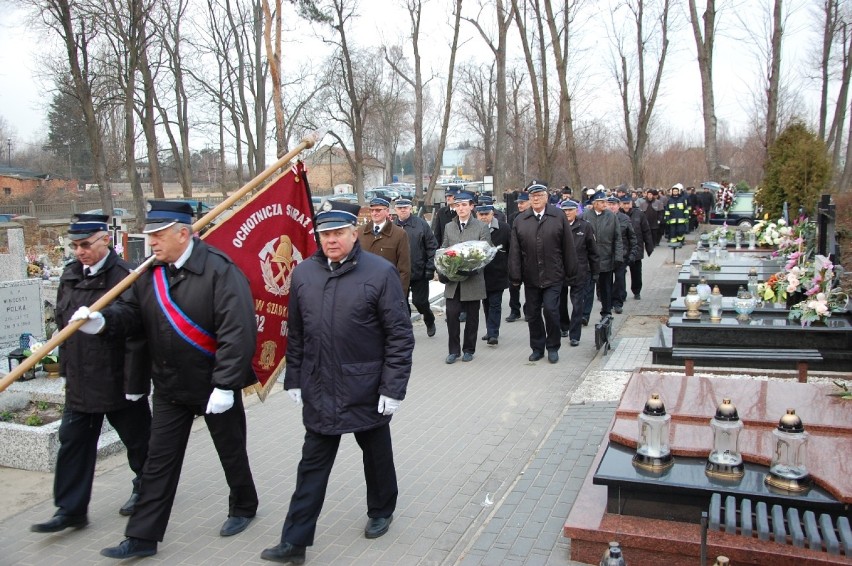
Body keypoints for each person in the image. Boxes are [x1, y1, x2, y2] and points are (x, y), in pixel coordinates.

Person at [73, 201, 259, 559]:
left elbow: (238, 332)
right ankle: (142, 536)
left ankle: (243, 506)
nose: (152, 243)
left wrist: (225, 384)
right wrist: (104, 322)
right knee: (158, 462)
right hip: (170, 387)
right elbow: (132, 315)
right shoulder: (150, 272)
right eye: (150, 236)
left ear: (183, 233)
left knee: (231, 451)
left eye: (158, 235)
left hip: (212, 385)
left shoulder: (220, 271)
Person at [260, 202, 414, 564]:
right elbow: (295, 334)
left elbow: (399, 337)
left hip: (366, 388)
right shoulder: (303, 275)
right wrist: (294, 378)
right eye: (324, 234)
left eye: (337, 233)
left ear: (353, 232)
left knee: (376, 455)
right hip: (320, 388)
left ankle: (381, 509)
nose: (330, 240)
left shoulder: (380, 273)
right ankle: (294, 542)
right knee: (311, 465)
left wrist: (392, 389)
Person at [30, 214, 151, 536]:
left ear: (105, 241)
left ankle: (146, 488)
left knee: (138, 442)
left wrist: (135, 381)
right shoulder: (70, 274)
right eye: (75, 246)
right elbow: (63, 323)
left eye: (85, 245)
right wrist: (66, 368)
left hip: (117, 379)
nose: (79, 251)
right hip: (82, 381)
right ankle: (70, 510)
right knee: (73, 444)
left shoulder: (125, 275)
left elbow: (135, 325)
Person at [508, 183, 578, 364]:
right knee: (532, 313)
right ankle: (537, 348)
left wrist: (571, 271)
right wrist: (515, 275)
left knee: (551, 310)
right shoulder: (520, 220)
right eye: (532, 196)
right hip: (531, 275)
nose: (536, 199)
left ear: (547, 197)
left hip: (553, 274)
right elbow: (515, 250)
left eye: (539, 195)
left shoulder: (557, 216)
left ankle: (553, 346)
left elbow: (568, 246)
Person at [440, 192, 491, 364]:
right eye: (457, 205)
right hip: (453, 280)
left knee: (472, 317)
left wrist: (473, 268)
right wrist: (444, 267)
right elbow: (444, 249)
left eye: (464, 205)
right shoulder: (449, 227)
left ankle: (469, 349)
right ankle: (453, 351)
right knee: (452, 315)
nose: (460, 208)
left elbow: (486, 252)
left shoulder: (481, 227)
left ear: (471, 206)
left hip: (473, 280)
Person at [394, 198, 438, 337]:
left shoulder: (421, 225)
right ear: (395, 210)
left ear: (411, 208)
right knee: (402, 303)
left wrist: (430, 267)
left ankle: (429, 318)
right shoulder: (391, 227)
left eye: (405, 207)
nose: (403, 210)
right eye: (400, 208)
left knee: (420, 302)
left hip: (419, 271)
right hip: (399, 273)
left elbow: (432, 246)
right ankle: (407, 330)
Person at [558, 201, 599, 347]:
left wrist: (595, 271)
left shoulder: (585, 226)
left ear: (576, 211)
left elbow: (593, 251)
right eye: (564, 210)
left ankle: (575, 335)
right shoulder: (558, 225)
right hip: (560, 270)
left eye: (570, 210)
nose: (567, 213)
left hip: (579, 270)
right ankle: (564, 326)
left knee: (577, 304)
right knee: (560, 303)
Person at [582, 190, 623, 324]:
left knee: (606, 288)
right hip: (589, 259)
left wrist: (618, 257)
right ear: (594, 204)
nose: (605, 204)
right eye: (602, 202)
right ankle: (584, 315)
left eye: (605, 202)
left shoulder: (611, 216)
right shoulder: (585, 216)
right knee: (588, 289)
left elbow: (618, 238)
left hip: (606, 257)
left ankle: (606, 312)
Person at [359, 197, 411, 296]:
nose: (374, 213)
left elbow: (404, 269)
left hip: (388, 290)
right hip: (364, 290)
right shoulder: (360, 232)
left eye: (378, 210)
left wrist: (399, 294)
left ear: (387, 211)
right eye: (372, 210)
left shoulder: (399, 234)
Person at [475, 203, 510, 346]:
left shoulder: (504, 228)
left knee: (495, 303)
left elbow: (511, 248)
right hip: (481, 274)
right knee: (486, 303)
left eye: (486, 214)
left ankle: (493, 332)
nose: (483, 217)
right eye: (481, 215)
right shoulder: (474, 228)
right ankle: (490, 329)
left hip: (498, 272)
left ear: (492, 214)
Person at [620, 195, 655, 300]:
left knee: (636, 273)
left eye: (628, 203)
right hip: (622, 249)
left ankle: (636, 291)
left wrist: (649, 246)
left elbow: (646, 231)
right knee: (620, 274)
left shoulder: (639, 214)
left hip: (636, 248)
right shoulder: (618, 215)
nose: (626, 206)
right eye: (624, 203)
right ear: (621, 204)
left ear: (632, 203)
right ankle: (621, 294)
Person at [608, 196, 638, 314]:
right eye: (609, 204)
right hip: (606, 255)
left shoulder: (624, 218)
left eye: (613, 204)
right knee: (606, 281)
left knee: (620, 280)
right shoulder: (603, 218)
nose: (611, 206)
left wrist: (632, 254)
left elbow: (632, 237)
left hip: (622, 255)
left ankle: (618, 303)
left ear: (618, 205)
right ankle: (607, 303)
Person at [505, 191, 529, 322]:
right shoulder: (514, 217)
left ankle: (528, 310)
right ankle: (515, 310)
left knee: (530, 286)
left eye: (522, 202)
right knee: (513, 286)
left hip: (529, 255)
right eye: (518, 203)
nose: (519, 205)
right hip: (515, 255)